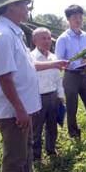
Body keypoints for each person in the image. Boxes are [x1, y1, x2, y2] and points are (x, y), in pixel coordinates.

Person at [0, 0, 68, 172]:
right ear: (11, 7)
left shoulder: (13, 32)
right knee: (15, 153)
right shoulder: (3, 36)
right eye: (24, 4)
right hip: (15, 108)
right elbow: (5, 78)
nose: (27, 8)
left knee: (27, 145)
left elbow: (28, 65)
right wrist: (19, 109)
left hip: (25, 104)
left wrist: (55, 63)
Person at [55, 5, 86, 140]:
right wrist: (76, 64)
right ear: (68, 19)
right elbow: (59, 60)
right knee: (72, 106)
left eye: (80, 17)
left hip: (85, 75)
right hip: (71, 76)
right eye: (75, 17)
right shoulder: (63, 39)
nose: (78, 20)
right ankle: (73, 133)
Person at [31, 27, 65, 161]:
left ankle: (51, 150)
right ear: (35, 41)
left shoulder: (54, 57)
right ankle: (36, 155)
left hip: (53, 96)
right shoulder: (31, 58)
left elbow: (58, 79)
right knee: (36, 128)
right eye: (43, 38)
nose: (47, 41)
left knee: (52, 125)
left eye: (48, 38)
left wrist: (60, 96)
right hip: (38, 97)